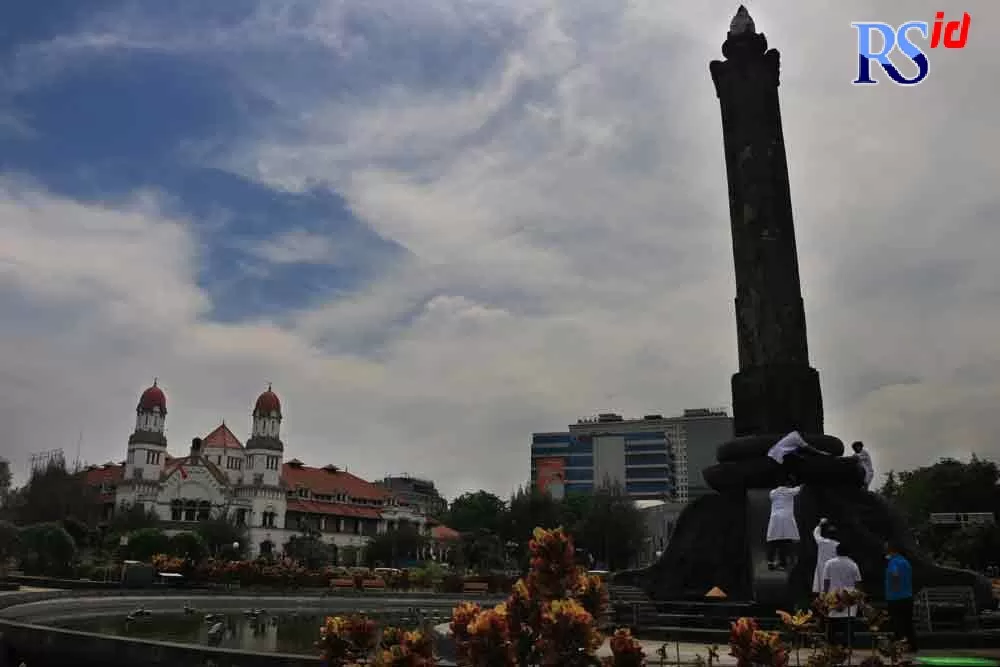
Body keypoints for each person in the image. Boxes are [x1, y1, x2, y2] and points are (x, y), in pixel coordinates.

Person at [822, 543, 863, 647]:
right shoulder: (853, 564)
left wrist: (824, 596)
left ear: (836, 551)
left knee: (832, 624)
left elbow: (826, 581)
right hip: (849, 598)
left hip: (833, 596)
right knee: (848, 625)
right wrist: (858, 598)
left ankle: (831, 646)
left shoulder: (829, 563)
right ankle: (847, 647)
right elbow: (858, 582)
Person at [885, 541, 918, 653]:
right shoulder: (905, 562)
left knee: (897, 623)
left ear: (892, 550)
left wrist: (894, 588)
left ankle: (899, 646)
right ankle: (912, 646)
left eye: (887, 548)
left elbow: (895, 574)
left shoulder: (893, 562)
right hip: (908, 597)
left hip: (895, 598)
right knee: (908, 623)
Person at [767, 481, 802, 570]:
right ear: (788, 485)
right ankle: (783, 563)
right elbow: (799, 488)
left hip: (775, 519)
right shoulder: (790, 491)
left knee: (773, 540)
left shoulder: (773, 492)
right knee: (784, 541)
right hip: (786, 518)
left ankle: (771, 562)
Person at [813, 518, 840, 594]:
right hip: (833, 571)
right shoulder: (837, 545)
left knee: (822, 590)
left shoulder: (821, 542)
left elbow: (816, 533)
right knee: (833, 591)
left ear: (827, 534)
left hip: (822, 569)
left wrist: (820, 524)